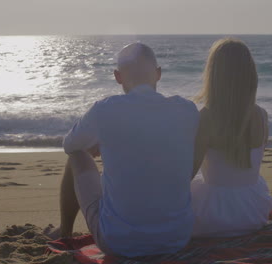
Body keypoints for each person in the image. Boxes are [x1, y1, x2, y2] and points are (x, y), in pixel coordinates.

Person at [57, 43, 199, 257]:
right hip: (177, 238)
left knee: (77, 154)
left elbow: (70, 145)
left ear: (118, 76)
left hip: (119, 242)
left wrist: (101, 141)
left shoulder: (105, 109)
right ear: (158, 74)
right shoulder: (187, 110)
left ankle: (64, 231)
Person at [191, 38, 272, 237]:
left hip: (213, 217)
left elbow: (188, 173)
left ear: (214, 75)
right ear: (250, 74)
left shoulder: (206, 117)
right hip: (254, 212)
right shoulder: (262, 115)